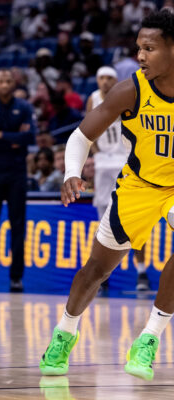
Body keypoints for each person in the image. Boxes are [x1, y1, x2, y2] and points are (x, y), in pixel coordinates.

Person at [39, 10, 174, 382]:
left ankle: (149, 338)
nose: (140, 56)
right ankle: (64, 333)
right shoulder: (132, 88)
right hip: (139, 186)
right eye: (138, 48)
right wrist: (70, 173)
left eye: (149, 48)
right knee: (96, 270)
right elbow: (81, 136)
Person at [0, 68, 37, 292]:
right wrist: (13, 138)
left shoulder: (24, 107)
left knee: (18, 226)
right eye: (1, 80)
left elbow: (30, 137)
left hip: (17, 172)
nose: (5, 84)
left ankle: (16, 278)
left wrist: (0, 135)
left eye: (8, 80)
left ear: (14, 83)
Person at [89, 65, 150, 291]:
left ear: (116, 80)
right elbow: (87, 130)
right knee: (103, 220)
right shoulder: (93, 99)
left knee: (134, 222)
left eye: (109, 78)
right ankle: (102, 276)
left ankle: (141, 272)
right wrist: (96, 155)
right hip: (104, 164)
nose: (105, 81)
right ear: (97, 80)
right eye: (101, 77)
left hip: (126, 161)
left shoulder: (128, 96)